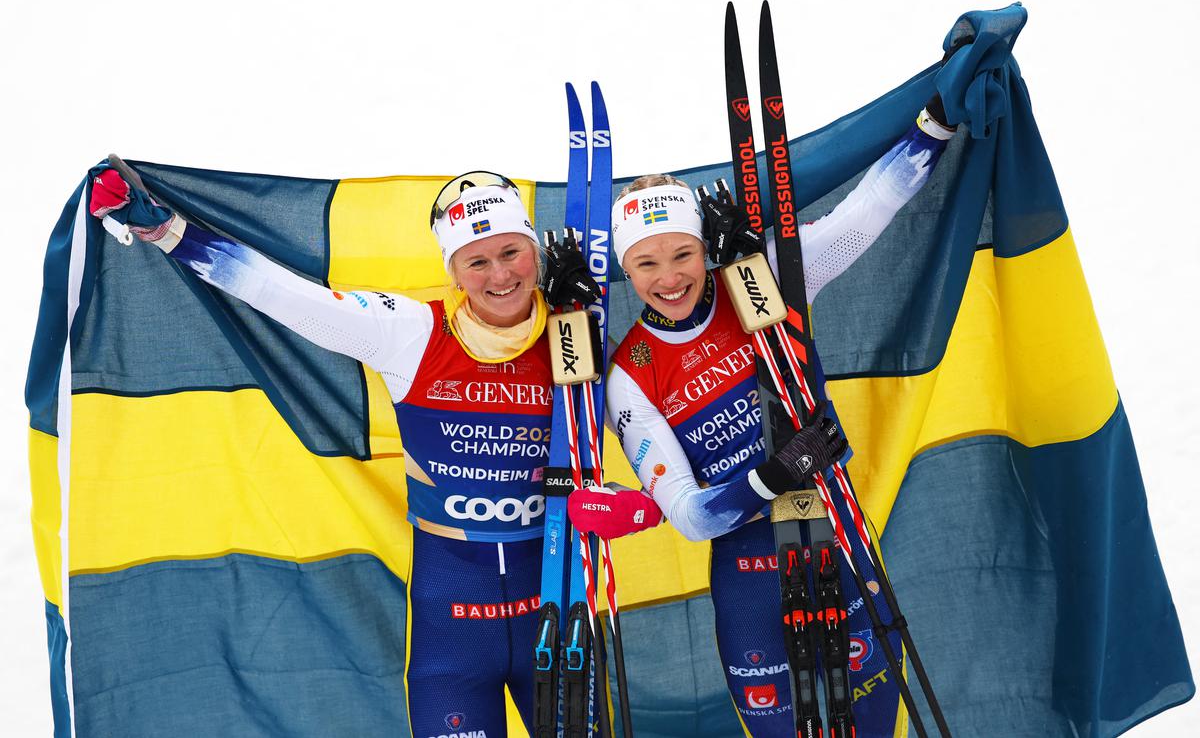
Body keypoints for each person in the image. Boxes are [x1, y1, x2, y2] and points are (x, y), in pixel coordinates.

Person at [88, 167, 596, 737]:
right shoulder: (410, 331)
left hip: (556, 614)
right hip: (452, 635)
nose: (500, 275)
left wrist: (622, 502)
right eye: (477, 261)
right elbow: (283, 296)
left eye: (512, 252)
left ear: (536, 251)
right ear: (452, 270)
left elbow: (650, 374)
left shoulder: (574, 333)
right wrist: (167, 233)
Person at [566, 96, 958, 735]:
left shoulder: (759, 282)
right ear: (626, 270)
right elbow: (691, 517)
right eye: (646, 262)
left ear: (704, 248)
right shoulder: (627, 377)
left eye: (683, 254)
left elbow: (862, 218)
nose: (669, 278)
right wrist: (772, 475)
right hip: (747, 578)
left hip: (835, 539)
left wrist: (936, 125)